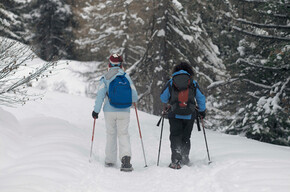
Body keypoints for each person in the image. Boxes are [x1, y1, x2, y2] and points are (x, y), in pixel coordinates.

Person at [92, 53, 138, 172]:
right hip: (124, 111)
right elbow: (135, 96)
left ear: (109, 64)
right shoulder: (126, 77)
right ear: (121, 64)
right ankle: (126, 160)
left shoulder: (105, 77)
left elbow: (100, 96)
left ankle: (110, 160)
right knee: (123, 134)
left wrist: (96, 111)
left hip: (109, 111)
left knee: (111, 134)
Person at [160, 62, 206, 169]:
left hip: (174, 114)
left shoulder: (171, 82)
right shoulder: (193, 83)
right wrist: (202, 111)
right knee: (186, 136)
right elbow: (201, 98)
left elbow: (163, 98)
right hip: (189, 114)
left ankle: (176, 160)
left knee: (175, 135)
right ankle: (185, 158)